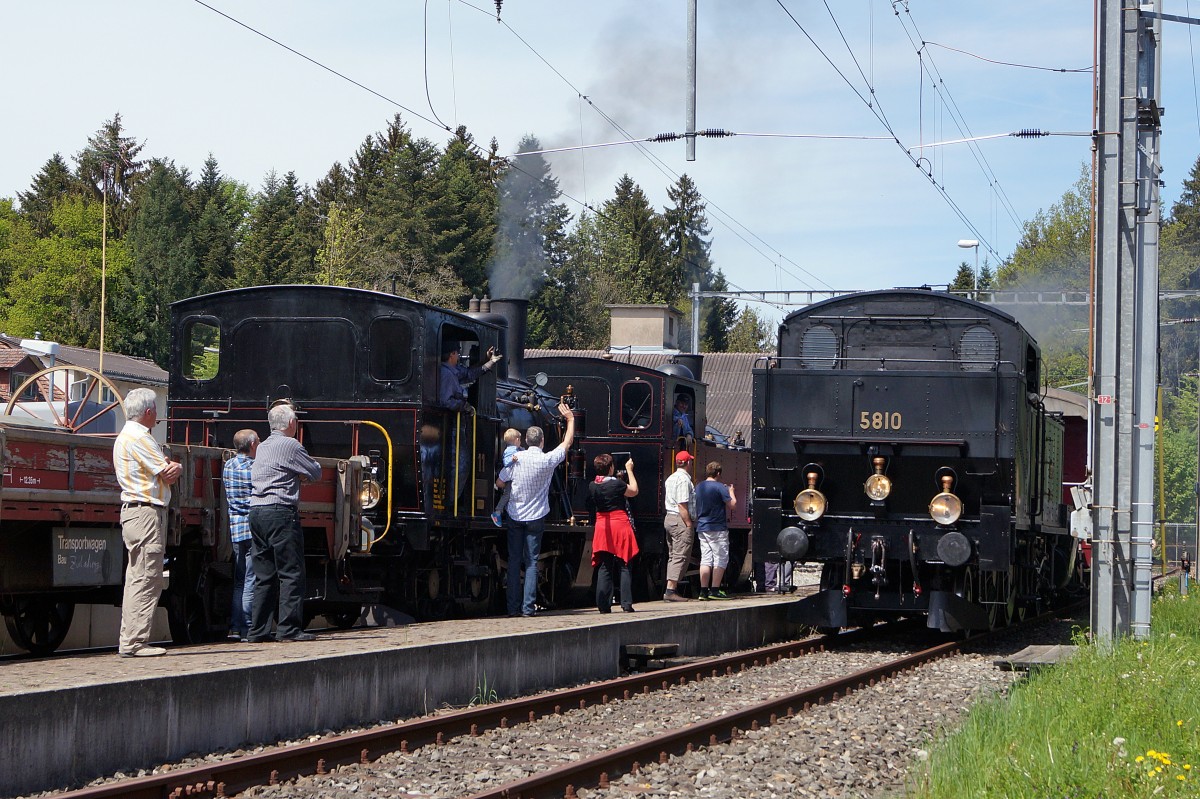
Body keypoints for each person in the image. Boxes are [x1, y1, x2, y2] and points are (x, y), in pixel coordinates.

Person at [113, 388, 182, 658]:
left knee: (137, 577)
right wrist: (174, 467)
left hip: (135, 513)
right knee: (147, 578)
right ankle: (135, 642)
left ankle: (130, 640)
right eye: (155, 409)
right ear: (149, 412)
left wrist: (169, 467)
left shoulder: (126, 435)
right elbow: (167, 471)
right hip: (146, 513)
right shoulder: (141, 437)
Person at [248, 402, 323, 643]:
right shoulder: (291, 445)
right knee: (291, 573)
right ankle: (288, 629)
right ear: (292, 423)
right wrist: (300, 473)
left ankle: (258, 631)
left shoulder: (263, 447)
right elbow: (315, 471)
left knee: (264, 575)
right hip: (280, 512)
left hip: (256, 512)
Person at [497, 401, 576, 617]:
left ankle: (512, 608)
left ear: (526, 440)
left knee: (514, 562)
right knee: (531, 562)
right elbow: (566, 444)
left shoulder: (515, 459)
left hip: (515, 515)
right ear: (541, 442)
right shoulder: (546, 460)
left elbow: (500, 483)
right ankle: (527, 608)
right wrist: (570, 420)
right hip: (536, 517)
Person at [589, 453, 640, 613]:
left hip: (602, 525)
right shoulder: (617, 485)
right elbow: (634, 491)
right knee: (624, 564)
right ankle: (626, 603)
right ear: (610, 468)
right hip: (619, 524)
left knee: (604, 566)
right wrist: (629, 470)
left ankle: (603, 605)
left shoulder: (592, 485)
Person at [223, 429, 259, 642]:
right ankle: (247, 627)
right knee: (251, 580)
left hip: (236, 528)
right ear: (253, 444)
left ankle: (235, 628)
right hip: (253, 527)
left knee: (239, 581)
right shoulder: (256, 468)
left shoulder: (228, 465)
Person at [694, 460, 736, 600]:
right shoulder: (720, 487)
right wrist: (731, 492)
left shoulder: (699, 486)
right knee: (720, 558)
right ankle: (715, 590)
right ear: (718, 473)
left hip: (702, 527)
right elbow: (733, 505)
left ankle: (703, 591)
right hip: (717, 527)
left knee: (705, 559)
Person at [662, 450, 696, 602]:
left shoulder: (671, 478)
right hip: (679, 519)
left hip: (669, 518)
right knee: (680, 554)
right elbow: (682, 504)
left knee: (673, 554)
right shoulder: (683, 480)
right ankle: (670, 590)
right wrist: (688, 524)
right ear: (688, 463)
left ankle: (670, 588)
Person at [438, 343, 502, 414]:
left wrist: (487, 360)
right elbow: (446, 401)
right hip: (449, 420)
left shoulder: (452, 370)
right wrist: (464, 406)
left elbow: (469, 373)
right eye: (457, 354)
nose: (458, 357)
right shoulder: (446, 374)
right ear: (452, 354)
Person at [491, 428, 523, 527]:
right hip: (509, 476)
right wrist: (512, 460)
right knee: (508, 494)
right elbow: (506, 462)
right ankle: (498, 511)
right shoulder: (510, 450)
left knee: (510, 494)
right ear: (517, 440)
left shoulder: (516, 449)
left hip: (511, 476)